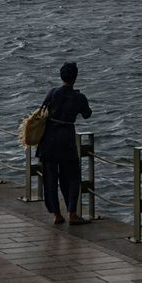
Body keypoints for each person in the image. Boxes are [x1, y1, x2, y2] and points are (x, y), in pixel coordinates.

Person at [36, 61, 93, 225]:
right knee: (73, 176)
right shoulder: (79, 97)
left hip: (49, 140)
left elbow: (41, 111)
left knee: (50, 179)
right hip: (67, 140)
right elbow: (87, 114)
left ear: (61, 76)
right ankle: (72, 213)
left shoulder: (53, 93)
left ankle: (56, 214)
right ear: (75, 77)